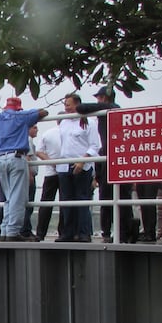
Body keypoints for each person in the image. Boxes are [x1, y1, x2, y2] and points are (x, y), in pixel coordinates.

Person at [76, 85, 134, 242]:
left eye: (100, 98)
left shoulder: (113, 108)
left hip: (116, 156)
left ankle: (123, 232)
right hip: (107, 156)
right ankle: (108, 232)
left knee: (120, 197)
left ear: (106, 98)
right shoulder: (105, 112)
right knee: (107, 197)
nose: (98, 100)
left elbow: (82, 107)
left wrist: (85, 112)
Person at [0, 97, 49, 240]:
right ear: (19, 108)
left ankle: (4, 231)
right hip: (17, 158)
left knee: (8, 198)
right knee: (18, 198)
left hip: (1, 159)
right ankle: (13, 232)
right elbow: (43, 112)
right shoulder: (22, 117)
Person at [55, 94, 99, 242]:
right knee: (66, 200)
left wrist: (82, 161)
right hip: (64, 165)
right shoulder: (64, 123)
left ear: (77, 105)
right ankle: (67, 232)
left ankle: (83, 233)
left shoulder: (89, 122)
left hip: (82, 165)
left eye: (69, 105)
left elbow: (95, 146)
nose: (66, 108)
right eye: (65, 105)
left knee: (82, 199)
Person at [33, 123, 62, 241]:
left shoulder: (48, 133)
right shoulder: (71, 132)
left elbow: (39, 151)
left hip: (51, 173)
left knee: (46, 203)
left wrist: (50, 162)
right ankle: (63, 232)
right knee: (65, 203)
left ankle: (40, 233)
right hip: (66, 172)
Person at [20, 124, 40, 239]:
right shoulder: (27, 140)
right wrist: (30, 174)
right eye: (34, 127)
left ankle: (25, 229)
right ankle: (25, 230)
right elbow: (27, 157)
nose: (37, 130)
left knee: (27, 204)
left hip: (26, 175)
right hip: (29, 176)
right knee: (28, 204)